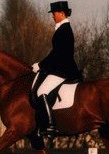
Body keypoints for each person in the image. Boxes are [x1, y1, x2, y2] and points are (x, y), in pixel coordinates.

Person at [31, 1, 82, 133]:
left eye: (54, 13)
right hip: (60, 68)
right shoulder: (62, 29)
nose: (52, 16)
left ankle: (50, 124)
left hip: (63, 70)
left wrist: (40, 65)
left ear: (61, 13)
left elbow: (57, 54)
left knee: (41, 92)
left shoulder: (64, 30)